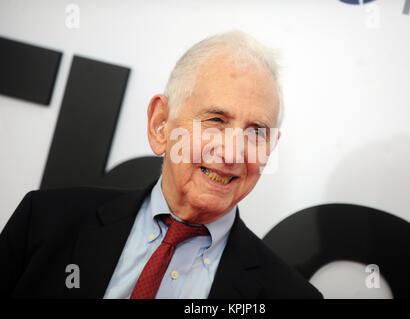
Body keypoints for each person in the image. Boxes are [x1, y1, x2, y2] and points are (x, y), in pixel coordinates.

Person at [0, 31, 322, 299]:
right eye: (216, 120)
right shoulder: (45, 221)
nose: (233, 152)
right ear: (161, 124)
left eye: (256, 132)